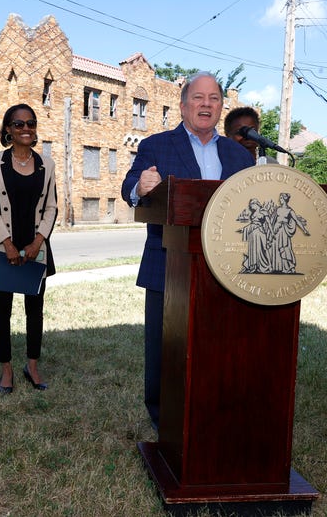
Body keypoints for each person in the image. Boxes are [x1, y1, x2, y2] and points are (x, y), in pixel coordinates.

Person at [121, 72, 254, 430]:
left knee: (218, 347)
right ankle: (165, 421)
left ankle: (214, 414)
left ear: (221, 106)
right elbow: (129, 186)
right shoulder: (156, 145)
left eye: (213, 98)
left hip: (225, 269)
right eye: (198, 97)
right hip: (169, 264)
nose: (206, 104)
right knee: (167, 349)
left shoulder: (239, 155)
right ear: (183, 106)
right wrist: (140, 186)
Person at [0, 104, 57, 394]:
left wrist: (38, 241)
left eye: (31, 123)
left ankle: (32, 366)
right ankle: (6, 370)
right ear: (8, 130)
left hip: (36, 246)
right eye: (19, 124)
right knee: (2, 311)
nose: (26, 128)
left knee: (34, 310)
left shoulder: (46, 164)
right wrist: (7, 243)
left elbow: (51, 206)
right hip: (5, 246)